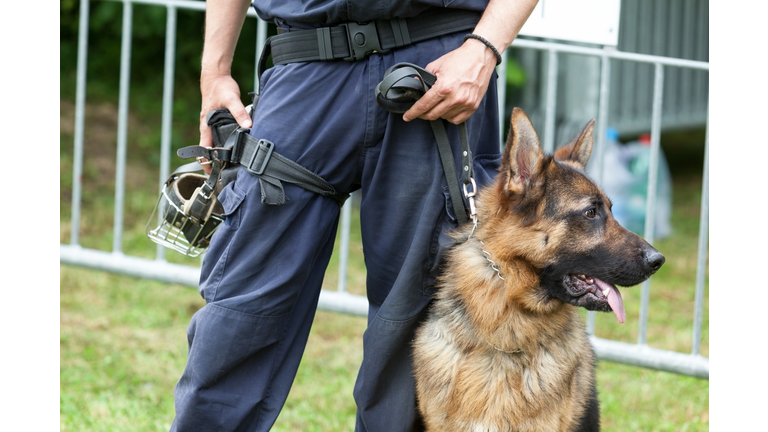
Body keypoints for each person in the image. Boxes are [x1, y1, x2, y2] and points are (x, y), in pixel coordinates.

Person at [171, 0, 538, 431]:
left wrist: (485, 47)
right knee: (241, 306)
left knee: (417, 320)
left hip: (436, 68)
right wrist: (214, 72)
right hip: (305, 62)